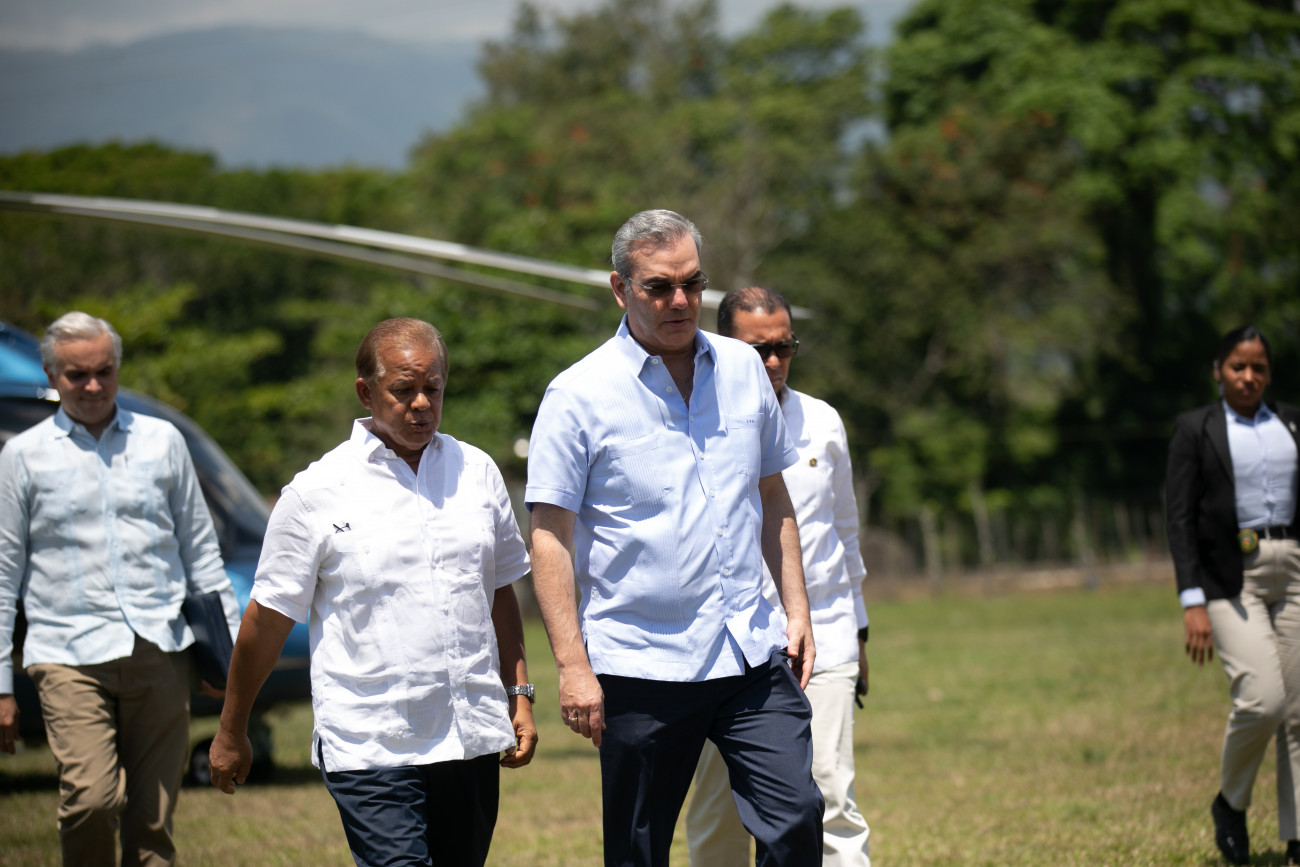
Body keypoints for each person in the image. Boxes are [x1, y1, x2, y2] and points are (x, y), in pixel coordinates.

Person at [526, 209, 824, 866]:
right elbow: (548, 536)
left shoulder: (744, 367)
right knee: (638, 850)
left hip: (749, 650)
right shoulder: (577, 395)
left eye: (693, 283)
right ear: (620, 288)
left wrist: (797, 610)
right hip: (641, 664)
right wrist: (572, 666)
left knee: (796, 815)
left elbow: (773, 494)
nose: (682, 301)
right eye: (659, 287)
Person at [208, 317, 536, 867]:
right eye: (403, 390)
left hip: (469, 734)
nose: (421, 404)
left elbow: (499, 589)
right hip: (371, 742)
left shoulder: (476, 472)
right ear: (366, 392)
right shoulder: (315, 493)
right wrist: (231, 729)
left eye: (433, 389)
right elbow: (267, 620)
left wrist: (518, 694)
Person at [0, 311, 240, 867]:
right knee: (91, 800)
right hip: (66, 653)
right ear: (51, 375)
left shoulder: (162, 442)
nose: (92, 386)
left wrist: (227, 661)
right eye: (76, 375)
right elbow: (4, 572)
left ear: (117, 369)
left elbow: (201, 553)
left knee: (152, 823)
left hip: (160, 648)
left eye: (104, 372)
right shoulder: (22, 456)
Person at [685, 286, 872, 867]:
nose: (772, 361)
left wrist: (859, 631)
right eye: (757, 349)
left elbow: (845, 531)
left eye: (783, 347)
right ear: (720, 346)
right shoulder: (696, 420)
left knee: (830, 794)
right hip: (731, 649)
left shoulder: (823, 420)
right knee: (719, 808)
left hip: (826, 635)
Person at [1167, 325, 1300, 866]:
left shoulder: (1291, 423)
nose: (1249, 377)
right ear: (1218, 371)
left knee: (1299, 710)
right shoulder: (1195, 429)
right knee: (1264, 700)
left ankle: (1298, 836)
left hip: (1293, 567)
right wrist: (1191, 599)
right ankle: (1230, 803)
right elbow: (1179, 518)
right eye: (1238, 367)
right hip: (1229, 576)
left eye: (1259, 368)